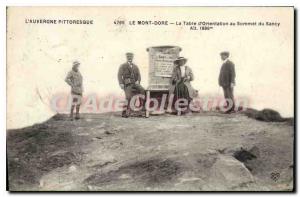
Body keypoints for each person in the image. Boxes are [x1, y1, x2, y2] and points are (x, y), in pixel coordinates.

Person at [118, 52, 145, 117]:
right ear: (126, 58)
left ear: (132, 58)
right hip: (127, 84)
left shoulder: (135, 66)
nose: (130, 58)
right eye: (128, 57)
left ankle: (140, 109)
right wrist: (121, 83)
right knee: (128, 97)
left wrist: (138, 81)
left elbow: (139, 75)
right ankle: (124, 112)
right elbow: (119, 75)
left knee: (143, 91)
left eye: (131, 57)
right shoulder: (123, 66)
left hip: (135, 83)